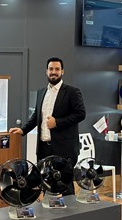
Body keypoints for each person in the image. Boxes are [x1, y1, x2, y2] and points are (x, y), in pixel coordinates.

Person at [9, 57, 86, 196]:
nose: (53, 72)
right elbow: (36, 117)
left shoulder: (72, 91)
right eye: (51, 69)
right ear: (46, 71)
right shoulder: (41, 92)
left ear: (62, 71)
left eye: (57, 69)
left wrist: (58, 122)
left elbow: (81, 114)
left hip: (64, 149)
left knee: (65, 186)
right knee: (46, 183)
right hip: (44, 148)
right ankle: (49, 209)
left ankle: (70, 210)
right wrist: (23, 130)